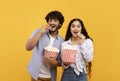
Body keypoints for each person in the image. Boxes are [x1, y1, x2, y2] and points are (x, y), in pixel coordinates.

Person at [25, 10, 64, 81]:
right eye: (50, 20)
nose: (52, 22)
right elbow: (28, 47)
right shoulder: (38, 31)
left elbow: (62, 61)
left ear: (60, 24)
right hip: (36, 75)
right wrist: (40, 32)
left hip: (50, 77)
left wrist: (55, 63)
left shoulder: (62, 41)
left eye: (55, 20)